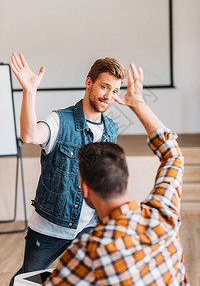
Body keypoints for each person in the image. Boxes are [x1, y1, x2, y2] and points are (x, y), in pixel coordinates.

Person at [44, 63, 189, 285]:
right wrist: (138, 104)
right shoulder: (163, 214)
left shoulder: (87, 253)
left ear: (85, 189)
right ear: (125, 179)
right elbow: (173, 156)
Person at [9, 53, 126, 285]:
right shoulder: (60, 120)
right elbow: (30, 135)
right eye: (104, 87)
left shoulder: (111, 129)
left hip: (89, 227)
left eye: (114, 91)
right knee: (27, 281)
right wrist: (29, 91)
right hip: (49, 228)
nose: (108, 96)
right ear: (89, 82)